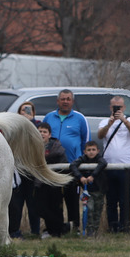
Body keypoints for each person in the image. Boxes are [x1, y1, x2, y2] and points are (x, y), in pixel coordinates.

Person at [42, 89, 89, 231]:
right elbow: (42, 138)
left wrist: (82, 162)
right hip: (53, 167)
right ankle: (55, 228)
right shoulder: (49, 117)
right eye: (63, 99)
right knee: (54, 200)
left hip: (72, 166)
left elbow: (85, 142)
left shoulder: (80, 118)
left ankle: (75, 227)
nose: (65, 101)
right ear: (58, 101)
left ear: (72, 101)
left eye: (68, 99)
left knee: (72, 199)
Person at [97, 96, 130, 233]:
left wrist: (123, 120)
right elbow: (100, 135)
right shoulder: (104, 121)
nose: (117, 109)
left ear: (124, 108)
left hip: (125, 167)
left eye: (119, 107)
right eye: (114, 107)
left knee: (124, 200)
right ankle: (112, 226)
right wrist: (110, 124)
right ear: (110, 108)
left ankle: (125, 227)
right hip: (109, 166)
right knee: (111, 200)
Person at [9, 103, 41, 238]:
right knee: (16, 204)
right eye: (23, 110)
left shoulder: (38, 125)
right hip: (18, 171)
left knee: (33, 204)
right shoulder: (15, 127)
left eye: (29, 110)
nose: (26, 112)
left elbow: (38, 140)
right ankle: (14, 231)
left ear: (33, 112)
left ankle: (35, 232)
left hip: (32, 171)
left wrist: (31, 122)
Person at [34, 121, 69, 238]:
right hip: (40, 182)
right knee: (40, 208)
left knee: (55, 207)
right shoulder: (33, 147)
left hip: (54, 182)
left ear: (49, 135)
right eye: (40, 131)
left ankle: (56, 231)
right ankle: (58, 227)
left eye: (44, 132)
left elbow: (64, 164)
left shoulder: (57, 148)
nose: (42, 134)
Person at [70, 140, 108, 236]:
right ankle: (89, 230)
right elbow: (73, 165)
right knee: (89, 210)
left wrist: (93, 175)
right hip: (88, 191)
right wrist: (80, 177)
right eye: (89, 150)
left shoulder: (99, 159)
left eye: (93, 150)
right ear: (85, 151)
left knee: (97, 211)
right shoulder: (82, 159)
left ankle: (95, 230)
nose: (91, 152)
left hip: (99, 191)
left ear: (98, 151)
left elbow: (103, 163)